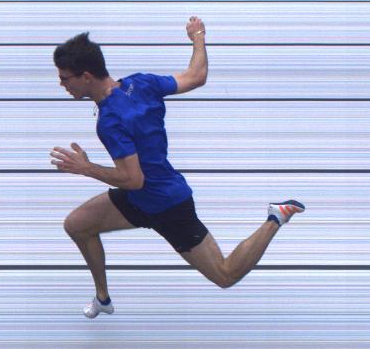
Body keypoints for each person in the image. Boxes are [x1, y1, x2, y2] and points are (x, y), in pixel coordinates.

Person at [52, 17, 305, 318]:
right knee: (77, 225)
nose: (62, 84)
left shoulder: (110, 121)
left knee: (225, 274)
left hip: (167, 205)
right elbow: (196, 76)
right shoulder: (140, 83)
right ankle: (103, 299)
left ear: (86, 77)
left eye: (65, 78)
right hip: (139, 200)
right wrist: (198, 37)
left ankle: (275, 217)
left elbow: (133, 179)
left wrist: (86, 167)